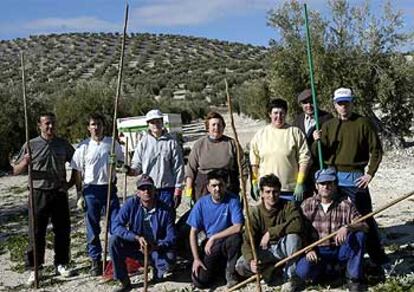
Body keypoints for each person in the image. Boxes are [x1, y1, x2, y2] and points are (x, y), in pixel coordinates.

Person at [312, 87, 390, 271]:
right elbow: (318, 154)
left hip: (356, 178)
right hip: (333, 178)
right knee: (333, 218)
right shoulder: (329, 126)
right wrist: (317, 141)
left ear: (352, 102)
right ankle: (341, 260)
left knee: (365, 219)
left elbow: (376, 150)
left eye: (346, 102)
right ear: (335, 105)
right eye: (340, 103)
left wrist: (370, 173)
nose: (343, 106)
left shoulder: (363, 123)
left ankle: (378, 258)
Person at [12, 112, 76, 285]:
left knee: (62, 230)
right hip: (38, 192)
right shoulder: (30, 144)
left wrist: (70, 183)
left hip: (58, 192)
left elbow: (77, 163)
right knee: (36, 231)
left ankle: (61, 263)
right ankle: (35, 267)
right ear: (39, 125)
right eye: (47, 123)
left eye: (53, 123)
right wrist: (25, 162)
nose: (50, 127)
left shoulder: (63, 144)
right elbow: (15, 170)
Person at [296, 168, 368, 291]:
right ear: (316, 186)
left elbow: (365, 226)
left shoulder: (346, 204)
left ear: (335, 185)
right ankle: (326, 271)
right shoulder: (307, 205)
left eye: (330, 183)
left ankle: (353, 278)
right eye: (322, 183)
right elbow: (300, 232)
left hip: (339, 250)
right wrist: (308, 250)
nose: (326, 186)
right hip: (317, 251)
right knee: (303, 271)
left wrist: (347, 227)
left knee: (359, 235)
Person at [70, 113, 124, 276]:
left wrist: (118, 163)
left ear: (103, 126)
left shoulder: (112, 143)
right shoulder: (83, 147)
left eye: (99, 124)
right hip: (91, 191)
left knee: (115, 226)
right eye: (93, 124)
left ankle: (115, 258)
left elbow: (122, 163)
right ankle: (95, 260)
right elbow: (77, 171)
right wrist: (79, 194)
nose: (96, 127)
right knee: (92, 229)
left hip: (109, 189)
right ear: (88, 127)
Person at [235, 174, 303, 291]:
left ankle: (290, 278)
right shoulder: (255, 213)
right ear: (261, 193)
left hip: (283, 248)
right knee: (241, 266)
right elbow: (247, 241)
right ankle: (270, 270)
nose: (271, 196)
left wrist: (270, 233)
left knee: (294, 238)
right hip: (264, 252)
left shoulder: (288, 206)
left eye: (275, 192)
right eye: (267, 192)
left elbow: (297, 224)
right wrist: (251, 260)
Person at [109, 174, 176, 292]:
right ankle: (124, 280)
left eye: (149, 188)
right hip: (136, 244)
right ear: (138, 192)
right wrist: (135, 237)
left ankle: (156, 268)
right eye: (142, 189)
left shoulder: (165, 209)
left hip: (156, 247)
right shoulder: (131, 204)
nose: (146, 191)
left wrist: (157, 246)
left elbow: (171, 236)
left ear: (154, 190)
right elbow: (115, 226)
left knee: (169, 261)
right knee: (114, 240)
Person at [187, 169, 244, 288]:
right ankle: (216, 270)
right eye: (214, 186)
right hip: (210, 246)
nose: (217, 189)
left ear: (225, 185)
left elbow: (238, 226)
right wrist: (196, 258)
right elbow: (193, 232)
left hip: (227, 241)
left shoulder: (233, 200)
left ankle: (230, 272)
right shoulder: (201, 203)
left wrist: (214, 237)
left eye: (220, 185)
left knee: (235, 238)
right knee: (201, 282)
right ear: (208, 187)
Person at [250, 98, 311, 201]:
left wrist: (300, 183)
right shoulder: (260, 135)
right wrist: (255, 182)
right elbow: (254, 162)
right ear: (270, 114)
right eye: (275, 113)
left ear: (286, 114)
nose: (278, 117)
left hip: (290, 191)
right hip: (268, 191)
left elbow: (304, 160)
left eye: (282, 113)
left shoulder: (295, 133)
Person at [126, 109, 184, 210]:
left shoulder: (172, 143)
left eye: (158, 121)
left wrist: (178, 190)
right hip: (147, 190)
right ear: (148, 124)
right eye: (152, 122)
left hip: (167, 190)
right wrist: (130, 171)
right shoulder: (143, 143)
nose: (155, 124)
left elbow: (179, 168)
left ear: (162, 122)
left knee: (167, 221)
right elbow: (137, 166)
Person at [185, 111, 246, 202]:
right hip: (203, 190)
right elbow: (190, 170)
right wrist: (188, 192)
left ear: (223, 127)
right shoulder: (199, 144)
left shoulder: (232, 143)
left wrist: (243, 189)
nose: (216, 127)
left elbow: (243, 167)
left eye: (219, 125)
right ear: (208, 127)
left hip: (228, 188)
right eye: (213, 125)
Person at [293, 89, 332, 198]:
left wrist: (321, 140)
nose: (309, 105)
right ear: (301, 105)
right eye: (305, 103)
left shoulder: (327, 118)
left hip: (320, 166)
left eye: (311, 101)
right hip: (303, 168)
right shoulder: (297, 120)